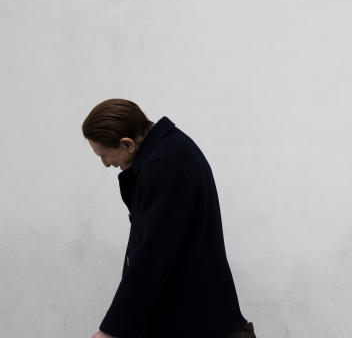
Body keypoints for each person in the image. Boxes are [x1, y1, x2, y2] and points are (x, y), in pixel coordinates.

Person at [82, 98, 256, 338]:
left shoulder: (163, 165)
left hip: (196, 322)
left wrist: (112, 329)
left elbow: (151, 254)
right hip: (195, 317)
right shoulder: (171, 150)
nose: (105, 164)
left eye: (105, 155)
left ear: (127, 144)